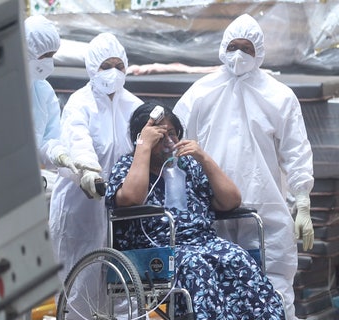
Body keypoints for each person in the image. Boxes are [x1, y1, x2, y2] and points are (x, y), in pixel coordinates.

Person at [172, 14, 314, 319]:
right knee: (219, 297)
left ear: (259, 52)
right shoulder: (200, 92)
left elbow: (296, 151)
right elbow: (176, 141)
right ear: (223, 47)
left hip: (266, 213)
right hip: (214, 214)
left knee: (276, 293)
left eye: (246, 48)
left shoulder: (279, 96)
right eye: (233, 46)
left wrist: (302, 201)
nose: (239, 54)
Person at [105, 102, 285, 319]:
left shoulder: (187, 167)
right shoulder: (127, 165)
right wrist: (143, 146)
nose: (168, 142)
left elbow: (231, 201)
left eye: (172, 134)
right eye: (159, 136)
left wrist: (204, 159)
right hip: (155, 248)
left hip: (203, 242)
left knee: (237, 258)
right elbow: (131, 197)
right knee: (196, 266)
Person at [48, 32, 143, 317]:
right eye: (105, 66)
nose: (112, 72)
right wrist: (88, 171)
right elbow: (77, 141)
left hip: (123, 208)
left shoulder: (135, 106)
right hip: (81, 208)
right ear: (92, 68)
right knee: (79, 284)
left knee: (124, 286)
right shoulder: (80, 104)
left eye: (118, 65)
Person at [24, 15, 77, 196]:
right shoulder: (0, 88)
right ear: (26, 50)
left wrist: (59, 154)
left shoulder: (43, 91)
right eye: (44, 56)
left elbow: (47, 139)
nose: (49, 62)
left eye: (52, 55)